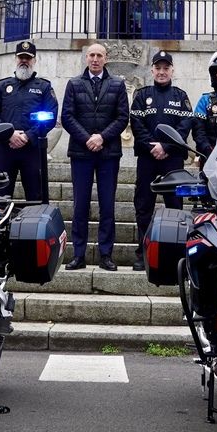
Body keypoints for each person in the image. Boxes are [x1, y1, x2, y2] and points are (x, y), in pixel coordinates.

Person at [59, 42, 129, 271]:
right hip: (81, 152)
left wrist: (101, 138)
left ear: (106, 58)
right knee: (80, 205)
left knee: (107, 205)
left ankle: (106, 255)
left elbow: (122, 117)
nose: (95, 59)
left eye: (99, 55)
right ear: (86, 58)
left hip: (108, 153)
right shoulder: (74, 83)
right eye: (92, 55)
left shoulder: (118, 84)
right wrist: (88, 138)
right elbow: (67, 116)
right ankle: (78, 254)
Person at [128, 49, 193, 271]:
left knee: (174, 207)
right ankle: (142, 254)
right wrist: (152, 147)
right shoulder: (141, 94)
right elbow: (137, 125)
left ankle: (175, 256)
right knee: (143, 206)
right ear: (152, 70)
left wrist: (166, 146)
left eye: (166, 68)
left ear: (172, 70)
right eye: (158, 68)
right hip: (147, 159)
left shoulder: (181, 96)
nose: (162, 72)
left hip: (172, 160)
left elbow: (184, 127)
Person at [0, 40, 58, 204]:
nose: (24, 61)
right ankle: (0, 229)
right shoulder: (3, 86)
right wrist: (9, 134)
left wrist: (28, 136)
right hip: (5, 149)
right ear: (15, 59)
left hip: (31, 149)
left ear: (34, 60)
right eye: (21, 57)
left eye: (28, 58)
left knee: (36, 196)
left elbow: (50, 116)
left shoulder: (44, 87)